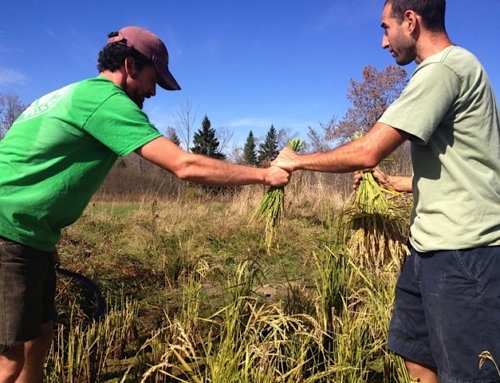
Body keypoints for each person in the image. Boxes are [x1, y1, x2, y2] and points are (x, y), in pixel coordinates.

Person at [0, 26, 290, 383]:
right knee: (9, 359)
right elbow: (185, 166)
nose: (153, 92)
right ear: (129, 65)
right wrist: (265, 176)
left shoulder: (72, 93)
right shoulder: (107, 101)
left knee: (39, 341)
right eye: (154, 80)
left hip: (31, 237)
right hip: (7, 232)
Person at [272, 0, 500, 382]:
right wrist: (391, 182)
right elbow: (463, 170)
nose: (382, 42)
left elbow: (368, 149)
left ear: (410, 22)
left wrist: (295, 161)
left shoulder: (443, 69)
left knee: (469, 373)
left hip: (464, 252)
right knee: (415, 353)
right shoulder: (451, 70)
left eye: (384, 27)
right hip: (428, 250)